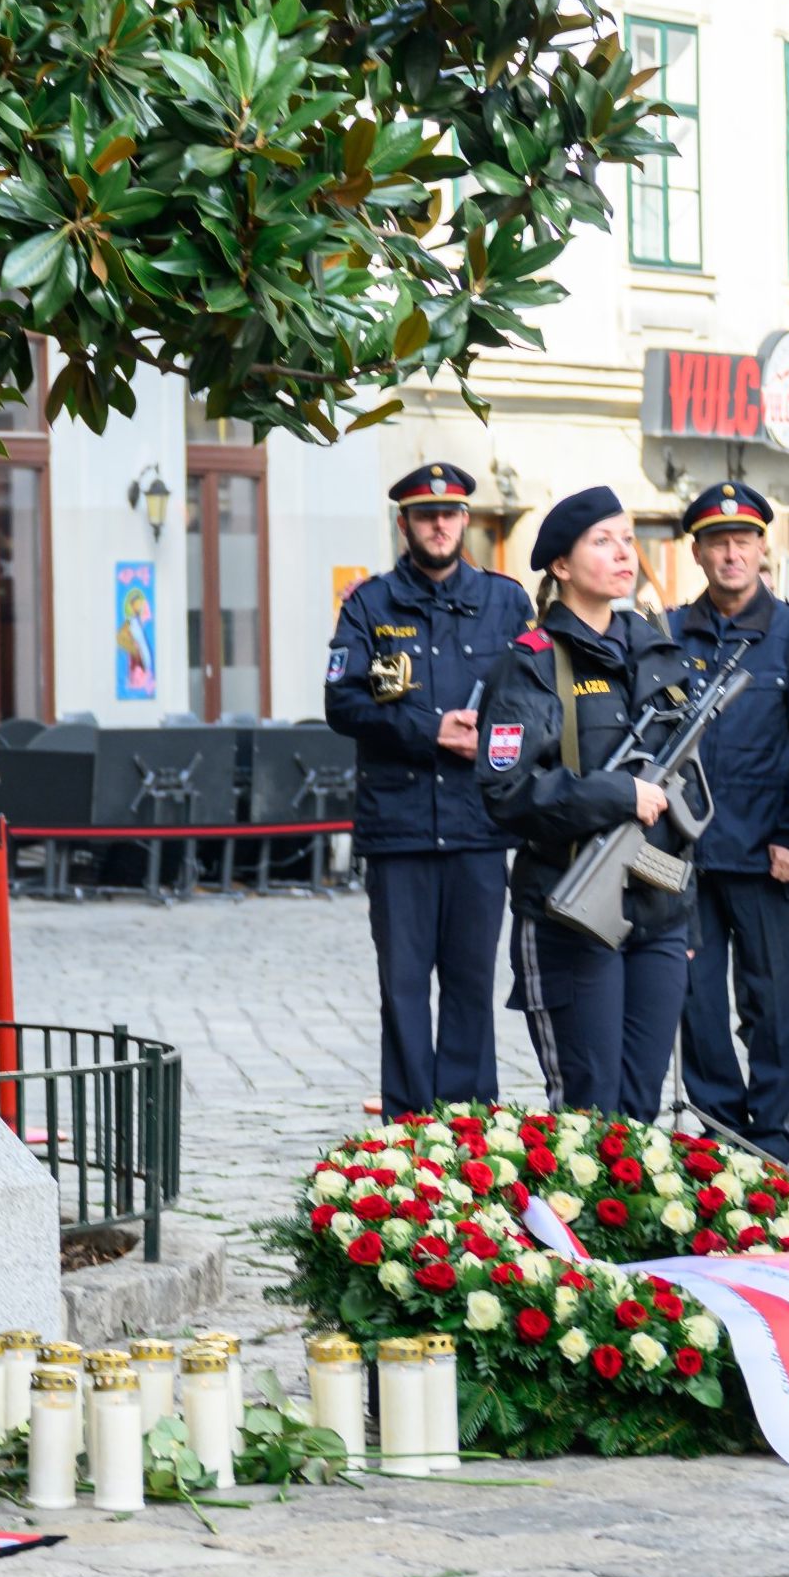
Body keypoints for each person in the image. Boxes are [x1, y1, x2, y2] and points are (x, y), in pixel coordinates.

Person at [473, 487, 702, 1115]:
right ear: (562, 567)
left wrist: (687, 918)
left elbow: (687, 801)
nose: (624, 554)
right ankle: (570, 1218)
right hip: (571, 914)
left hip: (658, 914)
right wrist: (617, 793)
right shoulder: (532, 666)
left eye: (628, 539)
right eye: (603, 542)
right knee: (587, 1107)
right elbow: (506, 791)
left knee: (642, 1103)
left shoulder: (659, 656)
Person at [325, 462, 533, 1114]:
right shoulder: (368, 604)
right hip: (400, 827)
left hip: (477, 823)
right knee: (404, 987)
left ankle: (469, 1127)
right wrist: (428, 728)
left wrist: (495, 731)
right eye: (424, 515)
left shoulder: (507, 603)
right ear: (404, 524)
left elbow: (534, 703)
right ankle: (411, 1129)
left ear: (465, 519)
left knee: (471, 984)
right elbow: (342, 702)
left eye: (448, 514)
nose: (438, 525)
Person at [665, 483, 789, 1168]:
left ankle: (769, 1140)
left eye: (742, 539)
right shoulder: (669, 634)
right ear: (698, 551)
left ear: (762, 547)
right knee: (695, 1002)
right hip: (684, 854)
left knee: (771, 1004)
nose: (730, 552)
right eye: (717, 540)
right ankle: (720, 1128)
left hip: (767, 850)